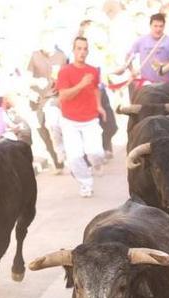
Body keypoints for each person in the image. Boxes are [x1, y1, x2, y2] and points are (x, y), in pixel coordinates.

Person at [56, 37, 105, 198]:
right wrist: (81, 84)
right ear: (73, 50)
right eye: (79, 48)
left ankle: (92, 165)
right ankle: (86, 183)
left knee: (96, 153)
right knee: (75, 156)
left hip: (90, 118)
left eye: (85, 49)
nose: (82, 52)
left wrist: (99, 106)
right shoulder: (65, 71)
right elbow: (63, 95)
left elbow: (96, 89)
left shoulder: (93, 70)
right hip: (70, 120)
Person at [26, 34, 68, 171]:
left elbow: (69, 76)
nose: (47, 46)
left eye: (50, 43)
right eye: (44, 43)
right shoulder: (35, 56)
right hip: (38, 100)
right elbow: (27, 78)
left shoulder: (61, 56)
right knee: (43, 131)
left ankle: (63, 154)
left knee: (53, 125)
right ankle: (57, 162)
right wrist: (36, 82)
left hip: (55, 97)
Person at [121, 13, 169, 95]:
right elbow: (128, 56)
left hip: (164, 85)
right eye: (155, 26)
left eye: (161, 26)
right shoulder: (141, 40)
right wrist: (132, 71)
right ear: (150, 26)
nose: (158, 29)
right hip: (146, 84)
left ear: (164, 27)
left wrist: (163, 64)